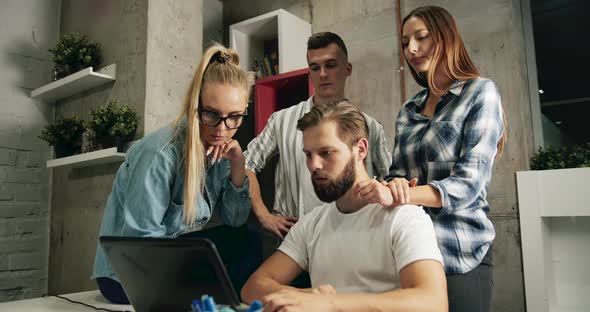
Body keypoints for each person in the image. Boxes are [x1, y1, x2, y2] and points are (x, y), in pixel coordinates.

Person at [241, 101, 447, 312]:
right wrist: (305, 296)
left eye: (326, 153)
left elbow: (433, 303)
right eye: (308, 154)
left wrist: (329, 304)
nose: (314, 165)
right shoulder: (312, 223)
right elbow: (253, 287)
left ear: (361, 149)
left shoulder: (404, 216)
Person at [91, 45, 257, 304]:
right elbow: (141, 243)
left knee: (245, 239)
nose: (222, 129)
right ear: (195, 106)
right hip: (127, 277)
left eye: (234, 117)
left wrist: (238, 164)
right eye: (211, 114)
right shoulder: (160, 153)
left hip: (170, 259)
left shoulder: (220, 149)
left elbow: (235, 220)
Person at [369, 6, 507, 312]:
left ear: (446, 37)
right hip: (411, 251)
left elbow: (468, 184)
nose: (412, 49)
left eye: (421, 37)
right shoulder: (408, 110)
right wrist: (389, 185)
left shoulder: (480, 93)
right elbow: (397, 174)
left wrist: (399, 193)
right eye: (405, 43)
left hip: (460, 252)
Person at [244, 32, 391, 240]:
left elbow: (390, 179)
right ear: (309, 73)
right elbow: (245, 164)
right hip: (295, 238)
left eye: (330, 65)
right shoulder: (282, 120)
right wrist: (263, 215)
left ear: (347, 69)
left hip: (353, 237)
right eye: (315, 67)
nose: (322, 74)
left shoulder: (371, 127)